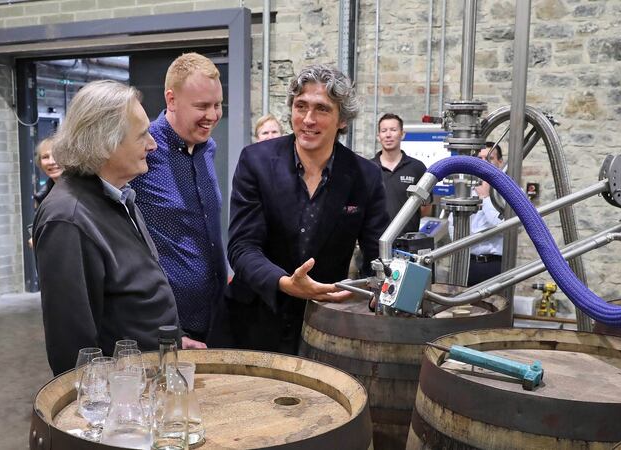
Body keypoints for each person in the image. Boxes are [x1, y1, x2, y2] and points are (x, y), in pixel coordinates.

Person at [33, 80, 204, 376]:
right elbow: (72, 349)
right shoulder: (69, 218)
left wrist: (171, 342)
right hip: (124, 402)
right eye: (142, 136)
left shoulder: (119, 197)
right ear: (105, 142)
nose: (152, 145)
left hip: (150, 378)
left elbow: (130, 296)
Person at [221, 64, 390, 354]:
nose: (308, 120)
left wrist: (378, 292)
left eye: (322, 109)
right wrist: (284, 282)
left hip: (325, 325)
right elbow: (242, 247)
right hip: (254, 319)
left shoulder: (365, 176)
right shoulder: (256, 161)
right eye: (301, 106)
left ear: (342, 120)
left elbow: (378, 255)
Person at [129, 53, 227, 342]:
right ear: (171, 100)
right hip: (166, 325)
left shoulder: (207, 147)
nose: (212, 115)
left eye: (218, 105)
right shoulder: (142, 149)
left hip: (214, 313)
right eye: (202, 106)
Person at [448, 141, 506, 286]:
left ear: (500, 162)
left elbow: (504, 227)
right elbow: (452, 225)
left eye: (489, 158)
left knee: (494, 307)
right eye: (480, 159)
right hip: (466, 263)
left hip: (494, 265)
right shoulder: (465, 190)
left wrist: (485, 198)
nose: (483, 163)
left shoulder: (510, 193)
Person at [372, 113, 428, 236]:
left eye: (393, 130)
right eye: (384, 131)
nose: (388, 135)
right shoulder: (369, 168)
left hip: (407, 244)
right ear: (378, 136)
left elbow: (425, 208)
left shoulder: (417, 168)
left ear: (402, 134)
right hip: (374, 242)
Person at [28, 137, 62, 248]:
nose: (52, 162)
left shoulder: (81, 191)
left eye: (57, 155)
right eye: (45, 157)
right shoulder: (43, 196)